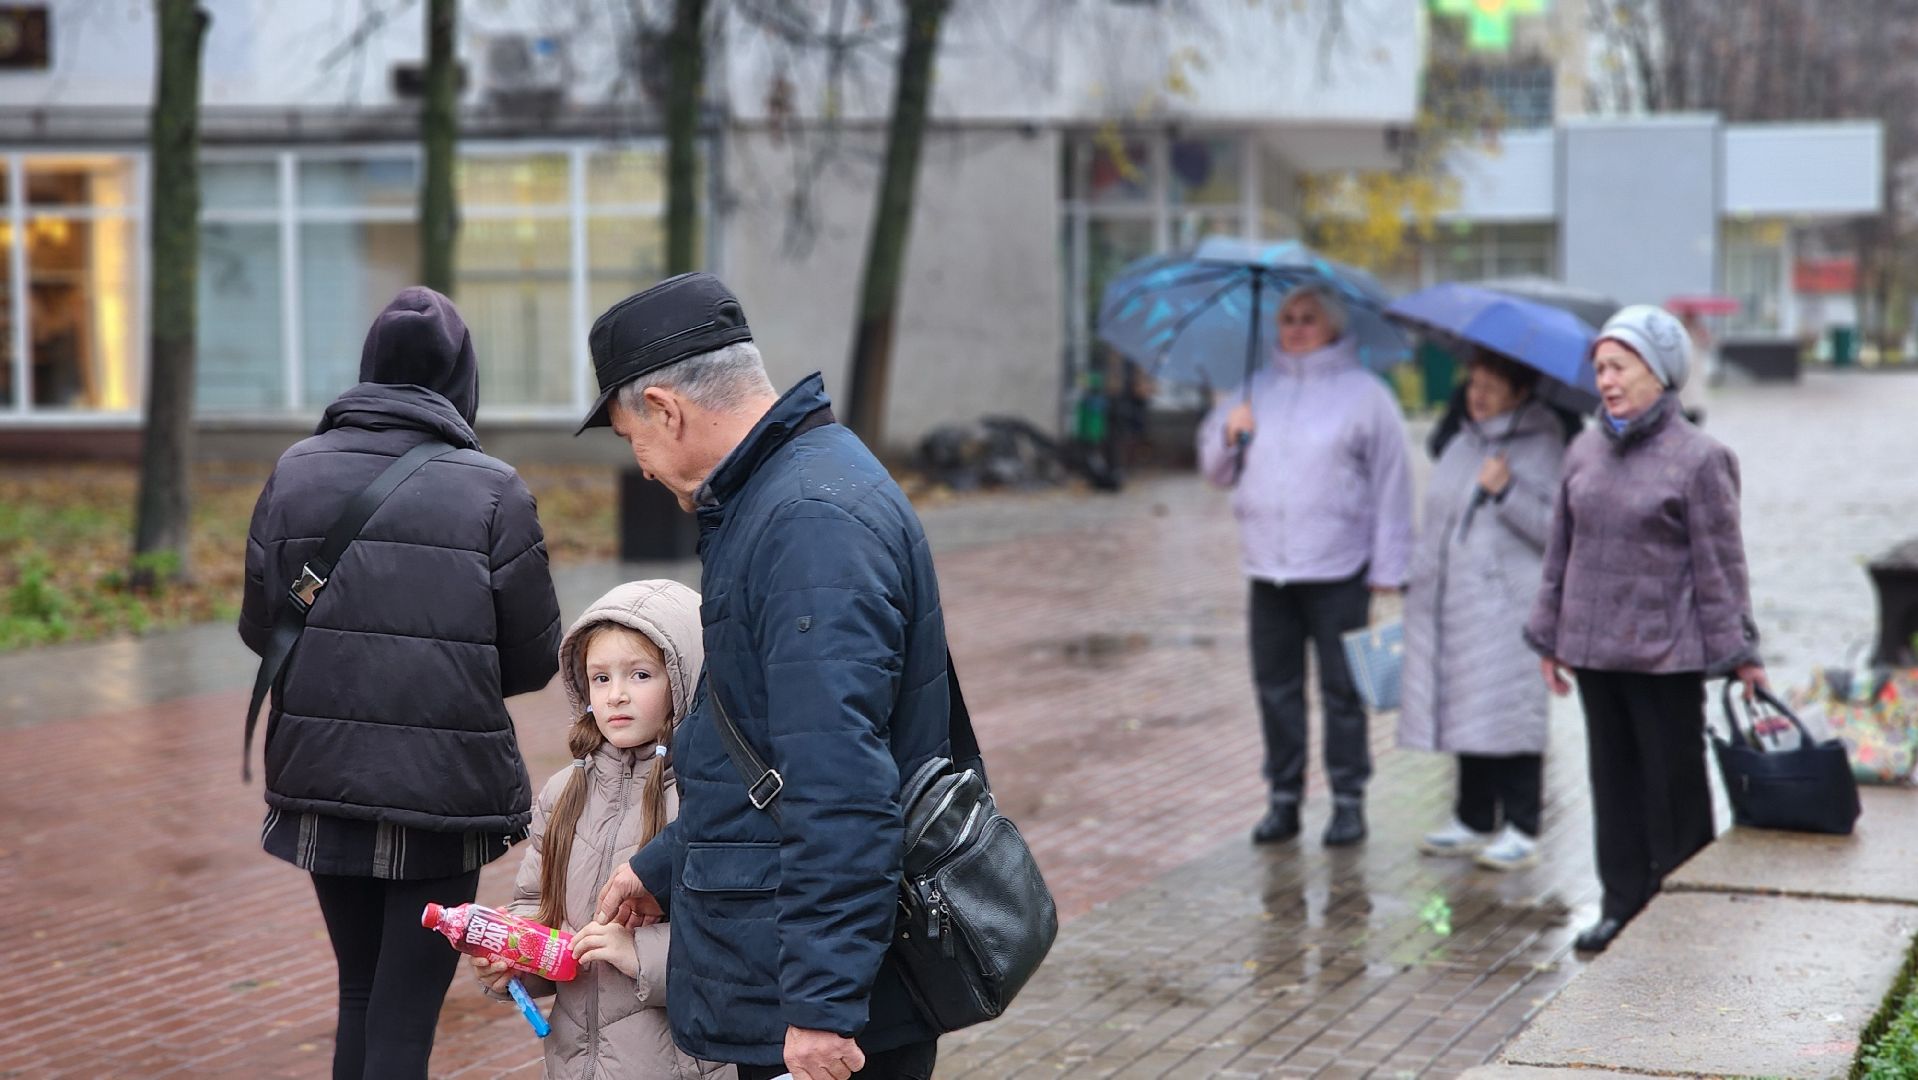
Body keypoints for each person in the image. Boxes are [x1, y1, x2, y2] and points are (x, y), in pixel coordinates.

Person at [582, 273, 950, 1080]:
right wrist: (667, 866)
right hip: (804, 962)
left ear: (667, 409)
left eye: (629, 438)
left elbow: (841, 779)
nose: (640, 467)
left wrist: (821, 1005)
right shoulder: (792, 493)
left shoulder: (806, 521)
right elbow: (764, 749)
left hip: (818, 1001)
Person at [239, 286, 562, 1080]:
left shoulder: (294, 472)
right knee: (406, 1012)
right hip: (442, 792)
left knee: (360, 995)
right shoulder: (495, 489)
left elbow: (262, 629)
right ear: (462, 379)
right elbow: (533, 658)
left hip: (321, 777)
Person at [1525, 304, 1765, 955]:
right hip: (1596, 652)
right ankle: (1622, 904)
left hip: (1666, 657)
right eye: (1600, 367)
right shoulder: (1584, 448)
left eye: (1620, 365)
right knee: (1614, 784)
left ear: (1658, 372)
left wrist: (1742, 654)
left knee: (1674, 790)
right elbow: (1559, 552)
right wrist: (1548, 636)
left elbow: (1721, 567)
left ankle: (1682, 914)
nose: (1606, 379)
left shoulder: (1700, 459)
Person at [469, 579, 732, 1080]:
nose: (617, 696)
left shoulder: (708, 800)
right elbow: (534, 904)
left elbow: (737, 939)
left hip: (682, 1064)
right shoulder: (564, 791)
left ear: (686, 677)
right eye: (601, 678)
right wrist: (514, 961)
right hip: (573, 1064)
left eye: (639, 674)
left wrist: (640, 953)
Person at [1197, 281, 1414, 848]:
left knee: (1342, 691)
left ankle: (1347, 800)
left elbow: (1393, 485)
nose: (1294, 327)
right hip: (1268, 567)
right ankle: (1284, 799)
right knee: (1276, 688)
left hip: (1339, 567)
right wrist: (1228, 433)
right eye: (1287, 318)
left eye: (1307, 318)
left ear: (1335, 327)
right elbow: (1214, 470)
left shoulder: (1367, 395)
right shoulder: (1252, 391)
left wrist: (1389, 567)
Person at [1399, 351, 1569, 872]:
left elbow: (1555, 530)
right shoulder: (1461, 442)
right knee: (1466, 705)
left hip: (1507, 602)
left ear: (1521, 391)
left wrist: (1508, 490)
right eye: (1473, 382)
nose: (1479, 394)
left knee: (1511, 710)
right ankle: (1473, 817)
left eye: (1493, 385)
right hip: (1455, 599)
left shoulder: (1543, 446)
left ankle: (1521, 824)